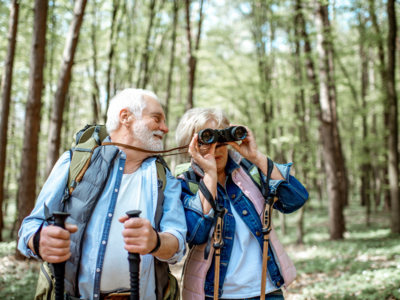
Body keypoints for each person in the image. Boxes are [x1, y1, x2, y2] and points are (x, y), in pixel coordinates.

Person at [18, 89, 187, 300]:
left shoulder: (165, 178)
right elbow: (29, 227)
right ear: (125, 117)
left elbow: (177, 245)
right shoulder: (74, 162)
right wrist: (39, 240)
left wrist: (155, 241)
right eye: (157, 118)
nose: (165, 128)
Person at [175, 108, 308, 300]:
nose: (216, 147)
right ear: (190, 146)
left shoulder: (249, 171)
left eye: (221, 138)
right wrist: (210, 175)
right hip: (214, 294)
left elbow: (295, 200)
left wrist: (257, 157)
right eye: (207, 139)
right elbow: (196, 233)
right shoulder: (186, 183)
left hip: (267, 290)